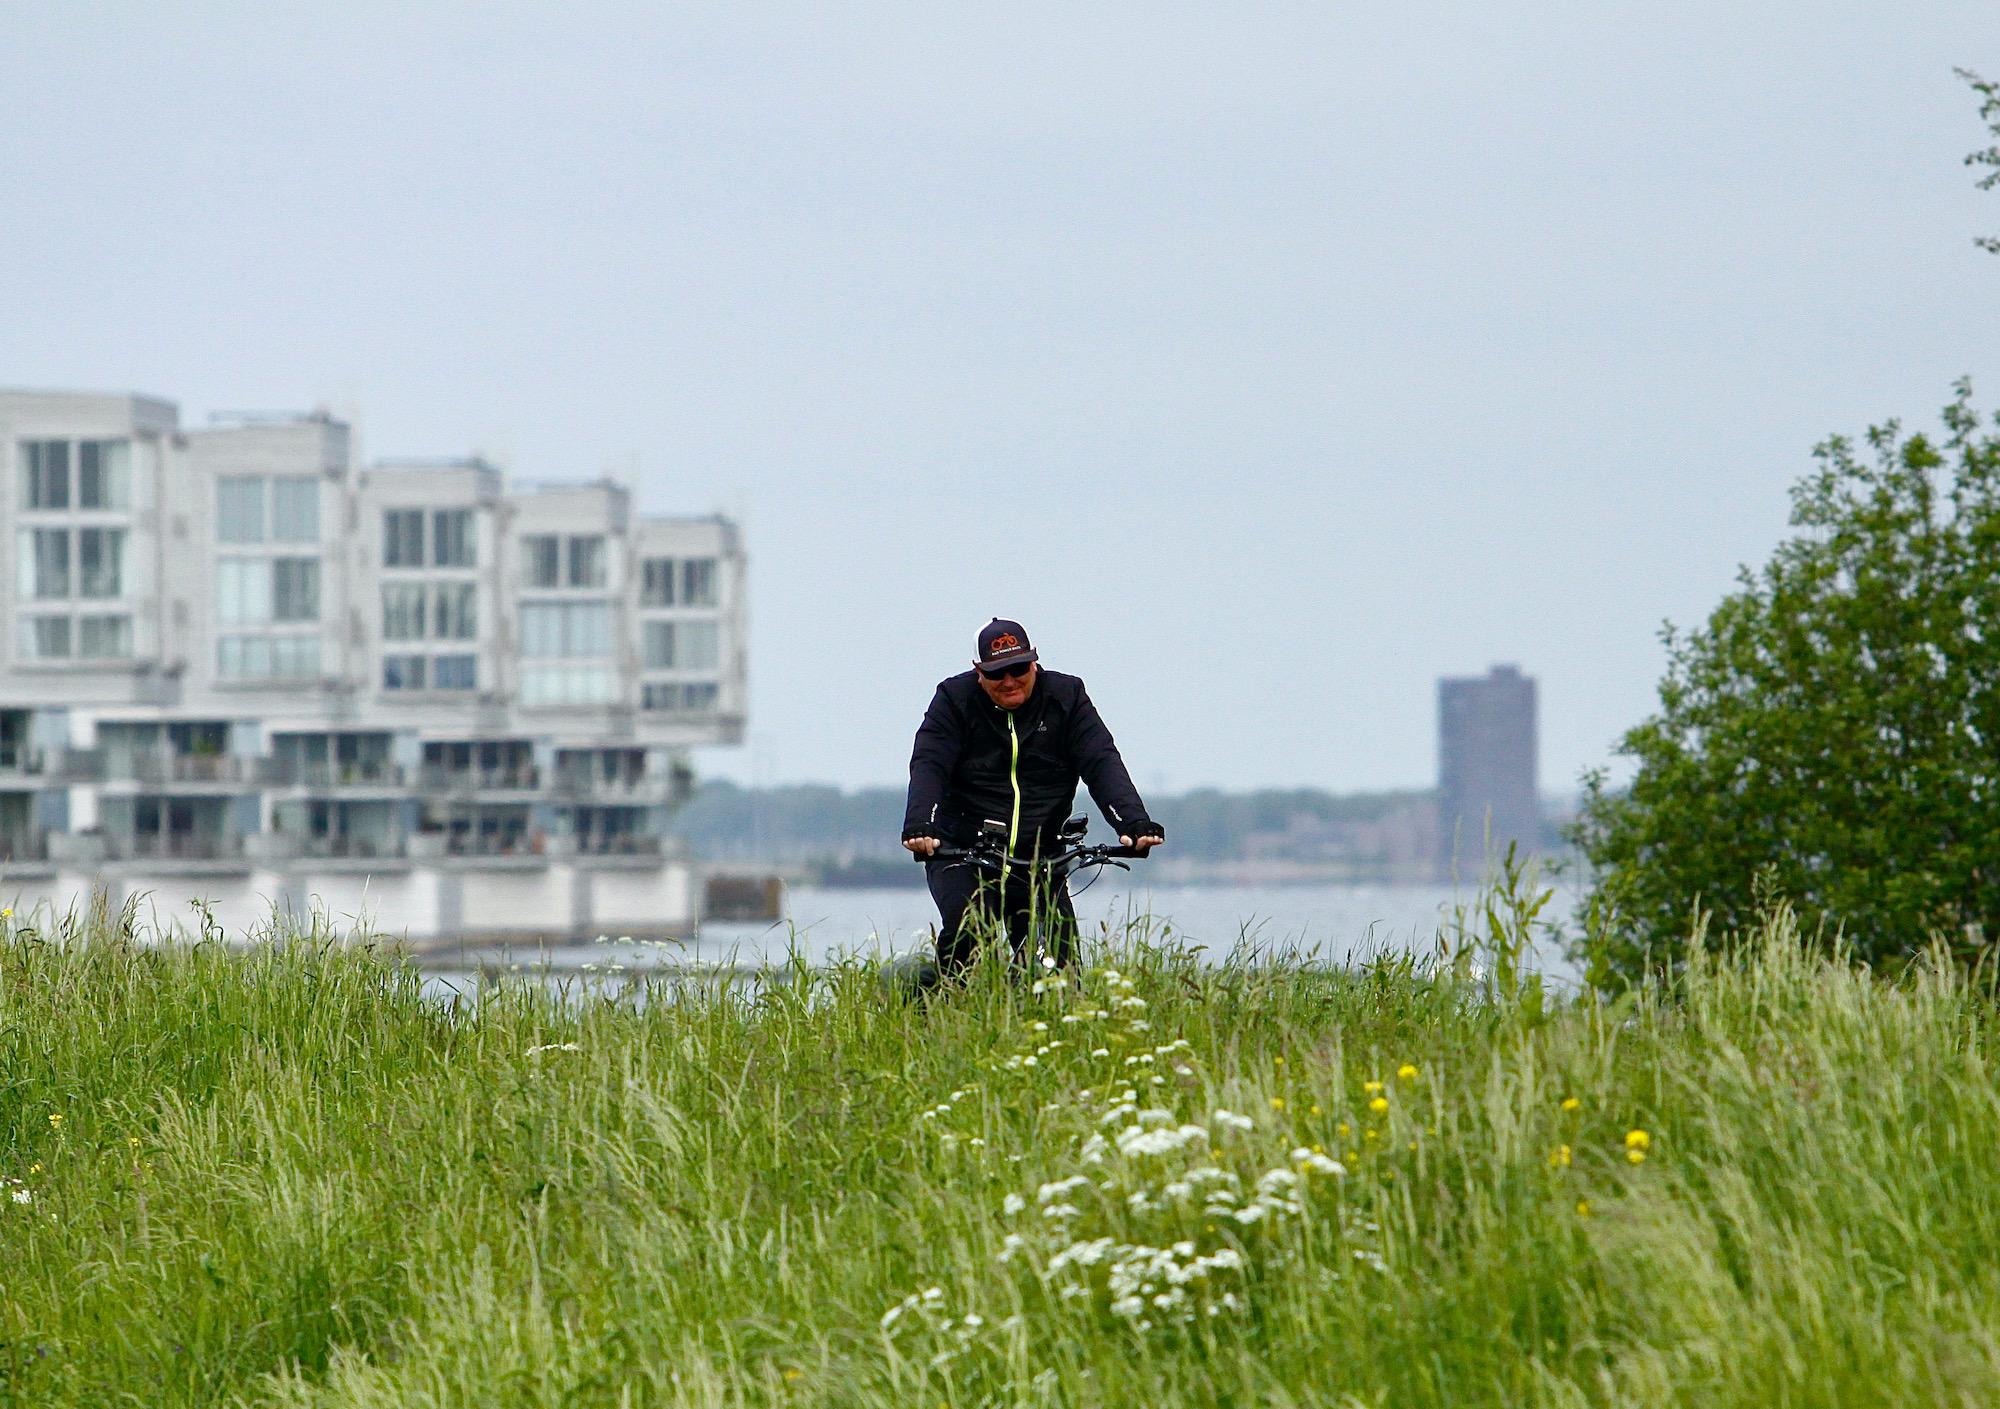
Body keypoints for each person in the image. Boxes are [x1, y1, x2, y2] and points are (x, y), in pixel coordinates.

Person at [903, 618, 1164, 978]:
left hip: (1041, 853)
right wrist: (921, 823)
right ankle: (947, 1012)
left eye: (1018, 669)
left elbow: (1101, 761)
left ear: (1034, 662)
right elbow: (930, 764)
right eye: (997, 673)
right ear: (979, 672)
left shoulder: (1067, 698)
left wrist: (1132, 822)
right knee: (969, 929)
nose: (1009, 681)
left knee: (1061, 966)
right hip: (964, 849)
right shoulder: (953, 700)